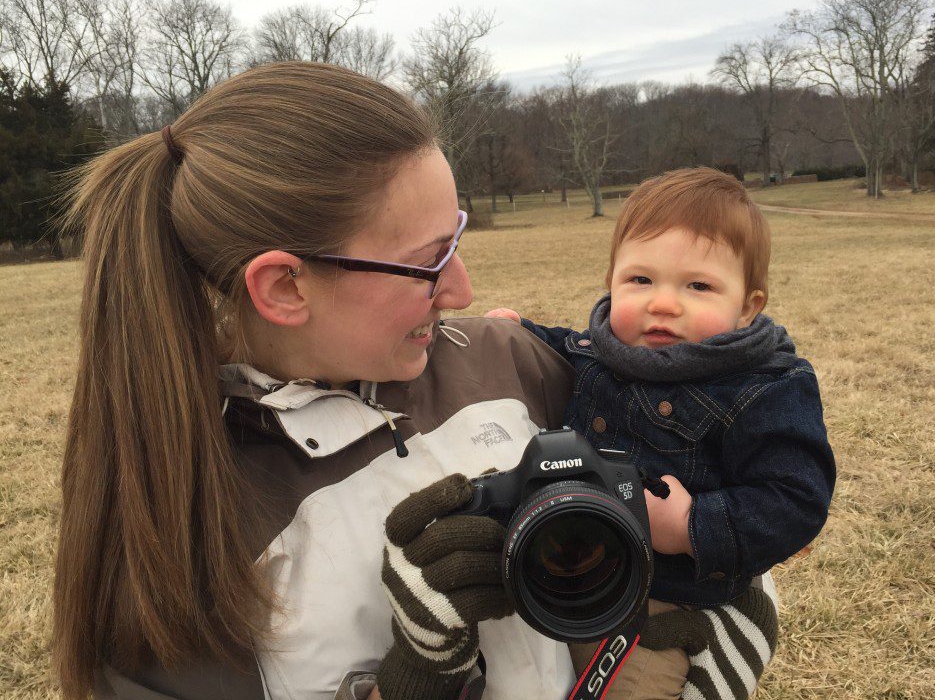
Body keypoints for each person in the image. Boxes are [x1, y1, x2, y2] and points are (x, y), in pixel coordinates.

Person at [52, 62, 580, 700]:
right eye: (426, 263)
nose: (463, 290)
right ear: (285, 287)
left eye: (455, 239)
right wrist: (413, 679)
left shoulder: (508, 363)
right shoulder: (186, 540)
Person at [485, 167, 836, 699]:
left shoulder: (764, 386)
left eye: (698, 285)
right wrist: (518, 332)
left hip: (665, 600)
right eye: (640, 280)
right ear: (612, 281)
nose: (664, 303)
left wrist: (694, 525)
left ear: (747, 306)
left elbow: (795, 500)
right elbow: (564, 348)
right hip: (577, 567)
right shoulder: (602, 351)